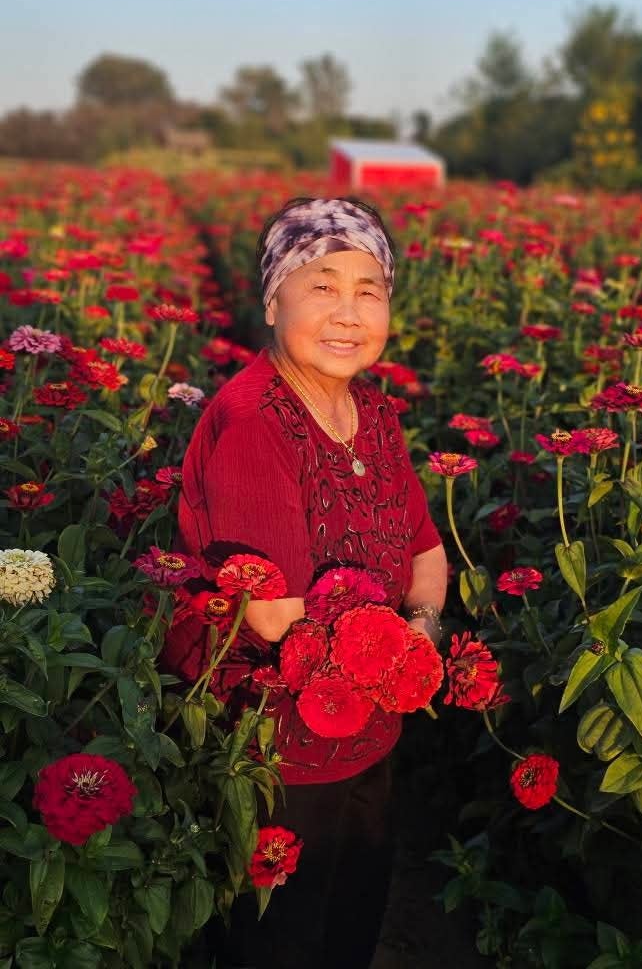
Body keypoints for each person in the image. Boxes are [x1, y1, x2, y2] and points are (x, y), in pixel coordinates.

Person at [162, 196, 448, 969]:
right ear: (273, 299)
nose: (348, 312)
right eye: (322, 285)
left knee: (352, 915)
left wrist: (418, 633)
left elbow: (426, 550)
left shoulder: (375, 413)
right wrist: (401, 664)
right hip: (277, 745)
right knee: (281, 937)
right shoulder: (255, 420)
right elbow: (275, 618)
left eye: (369, 289)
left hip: (369, 724)